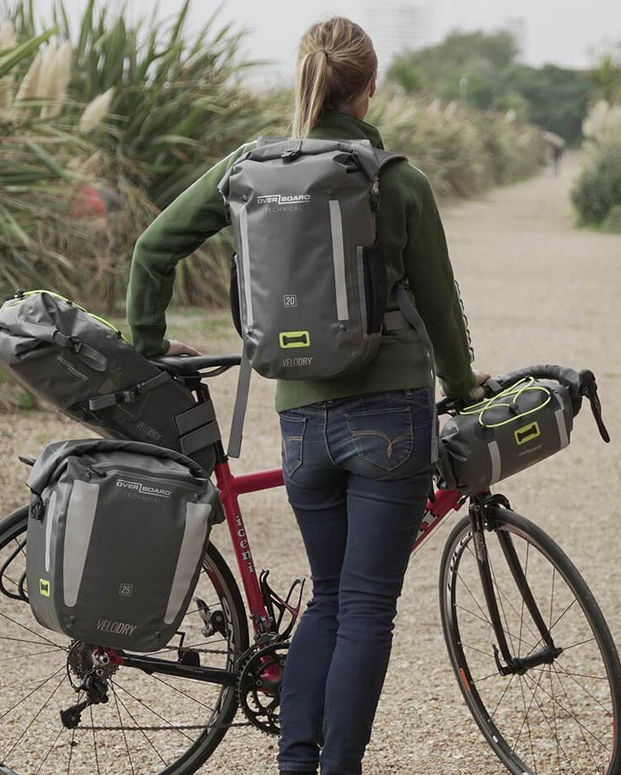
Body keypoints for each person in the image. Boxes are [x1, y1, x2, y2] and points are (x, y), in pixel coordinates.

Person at [127, 17, 486, 775]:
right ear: (368, 88)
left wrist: (152, 344)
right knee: (365, 605)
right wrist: (462, 387)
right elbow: (441, 304)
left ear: (307, 78)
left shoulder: (250, 168)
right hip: (390, 414)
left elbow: (152, 247)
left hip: (300, 420)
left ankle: (297, 763)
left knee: (327, 596)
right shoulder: (396, 178)